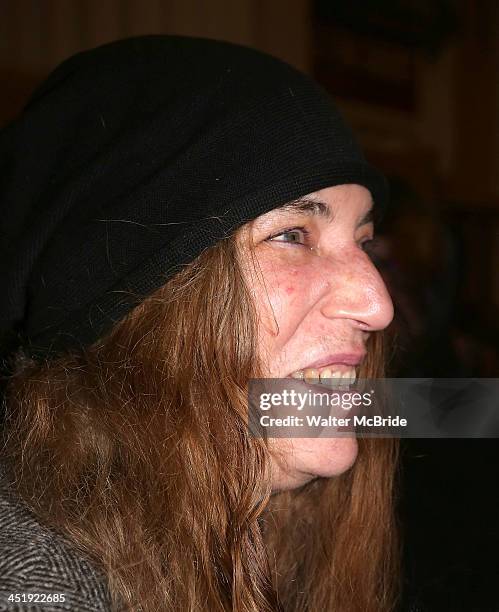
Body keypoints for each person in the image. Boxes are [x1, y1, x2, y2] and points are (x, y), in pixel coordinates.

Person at [0, 36, 400, 611]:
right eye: (291, 235)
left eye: (365, 241)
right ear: (137, 303)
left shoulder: (265, 536)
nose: (376, 304)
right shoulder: (33, 585)